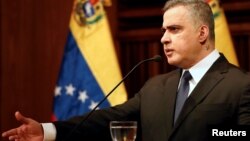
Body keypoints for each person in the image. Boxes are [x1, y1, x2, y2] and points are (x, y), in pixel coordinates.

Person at [2, 0, 250, 141]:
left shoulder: (240, 85)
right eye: (163, 30)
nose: (164, 38)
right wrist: (46, 130)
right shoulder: (155, 87)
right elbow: (103, 120)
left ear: (202, 33)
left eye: (174, 29)